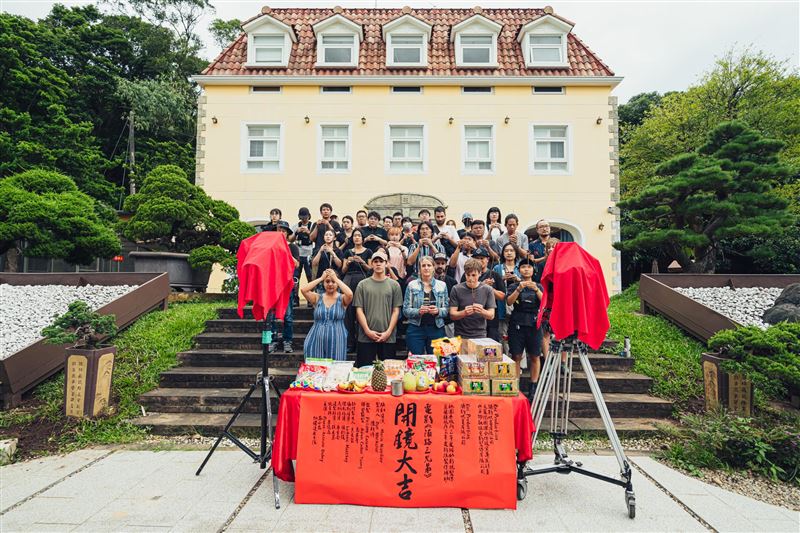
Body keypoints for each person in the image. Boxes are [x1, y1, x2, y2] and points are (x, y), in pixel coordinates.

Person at [353, 249, 403, 366]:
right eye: (375, 261)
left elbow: (396, 311)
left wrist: (389, 332)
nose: (378, 263)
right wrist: (367, 330)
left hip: (388, 336)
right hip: (366, 336)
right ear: (372, 264)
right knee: (364, 372)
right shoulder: (362, 285)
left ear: (386, 263)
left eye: (381, 261)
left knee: (388, 373)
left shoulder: (394, 285)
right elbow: (359, 309)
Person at [505, 257, 544, 401]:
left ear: (533, 270)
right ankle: (515, 385)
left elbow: (544, 303)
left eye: (529, 267)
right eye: (523, 267)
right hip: (517, 323)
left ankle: (533, 386)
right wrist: (519, 289)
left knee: (534, 355)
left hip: (534, 324)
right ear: (518, 270)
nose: (526, 269)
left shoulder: (539, 286)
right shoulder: (513, 285)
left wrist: (536, 290)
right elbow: (509, 301)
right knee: (516, 355)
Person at [301, 269, 353, 361]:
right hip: (316, 339)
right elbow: (304, 290)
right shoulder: (317, 297)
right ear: (323, 283)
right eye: (327, 281)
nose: (330, 284)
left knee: (335, 370)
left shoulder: (342, 299)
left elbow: (349, 294)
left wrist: (336, 279)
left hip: (337, 338)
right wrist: (321, 278)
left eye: (333, 282)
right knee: (316, 371)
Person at [403, 256, 449, 354]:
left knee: (436, 361)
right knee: (415, 361)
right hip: (416, 328)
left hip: (436, 328)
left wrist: (438, 311)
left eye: (429, 265)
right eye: (423, 265)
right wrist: (418, 311)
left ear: (433, 267)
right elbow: (405, 310)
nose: (426, 268)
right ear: (419, 269)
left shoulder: (442, 285)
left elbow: (446, 310)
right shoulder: (412, 285)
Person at [460, 248, 506, 342]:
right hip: (471, 322)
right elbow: (462, 291)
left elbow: (502, 296)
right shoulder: (467, 275)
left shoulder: (495, 275)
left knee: (490, 350)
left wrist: (490, 289)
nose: (479, 261)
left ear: (487, 259)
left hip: (491, 319)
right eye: (476, 258)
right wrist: (480, 285)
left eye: (482, 258)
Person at [449, 258, 496, 339]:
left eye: (474, 275)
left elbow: (491, 315)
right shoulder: (456, 289)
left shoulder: (487, 289)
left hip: (480, 334)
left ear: (480, 274)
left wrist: (482, 311)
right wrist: (464, 312)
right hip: (460, 335)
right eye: (468, 275)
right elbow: (452, 315)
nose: (470, 278)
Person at [341, 229, 372, 352]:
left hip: (362, 280)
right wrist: (348, 262)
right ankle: (349, 343)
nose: (357, 237)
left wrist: (362, 262)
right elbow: (343, 270)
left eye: (359, 235)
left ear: (363, 238)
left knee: (361, 310)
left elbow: (370, 269)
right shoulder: (348, 251)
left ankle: (361, 342)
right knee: (348, 313)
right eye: (355, 236)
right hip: (349, 279)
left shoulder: (368, 251)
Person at [275, 221, 300, 352]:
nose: (281, 233)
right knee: (272, 316)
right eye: (279, 230)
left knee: (288, 316)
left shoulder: (292, 247)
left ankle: (287, 341)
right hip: (273, 285)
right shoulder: (272, 246)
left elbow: (296, 264)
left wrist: (285, 250)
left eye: (284, 231)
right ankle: (272, 341)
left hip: (287, 284)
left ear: (287, 234)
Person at [494, 242, 521, 354]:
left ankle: (518, 362)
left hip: (518, 304)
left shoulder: (520, 266)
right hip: (501, 303)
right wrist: (502, 279)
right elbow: (493, 286)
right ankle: (505, 359)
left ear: (516, 253)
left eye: (511, 250)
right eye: (506, 251)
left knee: (518, 335)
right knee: (503, 334)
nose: (509, 253)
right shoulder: (497, 267)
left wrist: (517, 279)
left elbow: (528, 283)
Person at [290, 207, 314, 305]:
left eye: (306, 216)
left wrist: (309, 232)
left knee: (310, 277)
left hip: (309, 253)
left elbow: (316, 238)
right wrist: (297, 232)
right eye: (302, 216)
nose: (304, 219)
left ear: (309, 216)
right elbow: (290, 239)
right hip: (298, 254)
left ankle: (310, 298)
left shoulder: (313, 226)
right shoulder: (296, 226)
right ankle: (295, 298)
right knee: (296, 277)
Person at [433, 252, 458, 337]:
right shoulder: (428, 281)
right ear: (433, 264)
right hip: (433, 321)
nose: (440, 266)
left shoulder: (452, 281)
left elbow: (457, 301)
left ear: (446, 265)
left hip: (448, 321)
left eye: (443, 263)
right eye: (437, 263)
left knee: (449, 347)